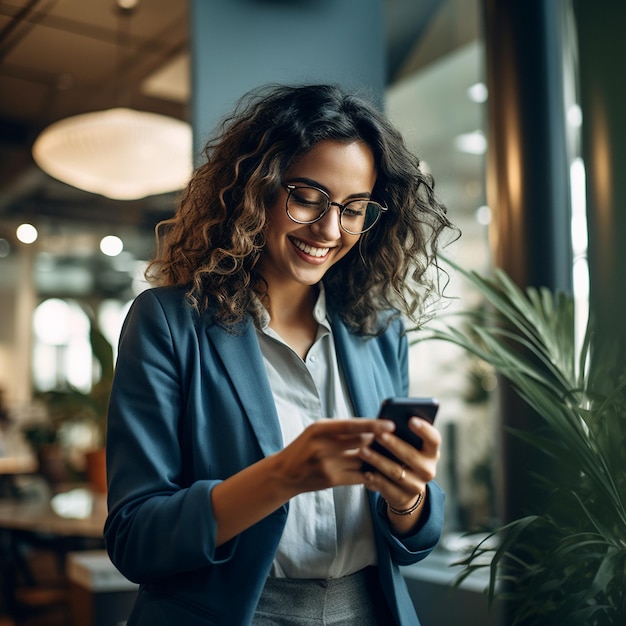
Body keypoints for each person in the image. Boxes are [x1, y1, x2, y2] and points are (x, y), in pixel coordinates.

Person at [104, 83, 456, 626]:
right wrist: (283, 476)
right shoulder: (168, 324)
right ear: (257, 189)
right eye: (307, 198)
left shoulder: (378, 328)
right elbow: (135, 539)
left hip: (367, 609)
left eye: (354, 207)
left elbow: (419, 537)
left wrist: (407, 497)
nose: (329, 229)